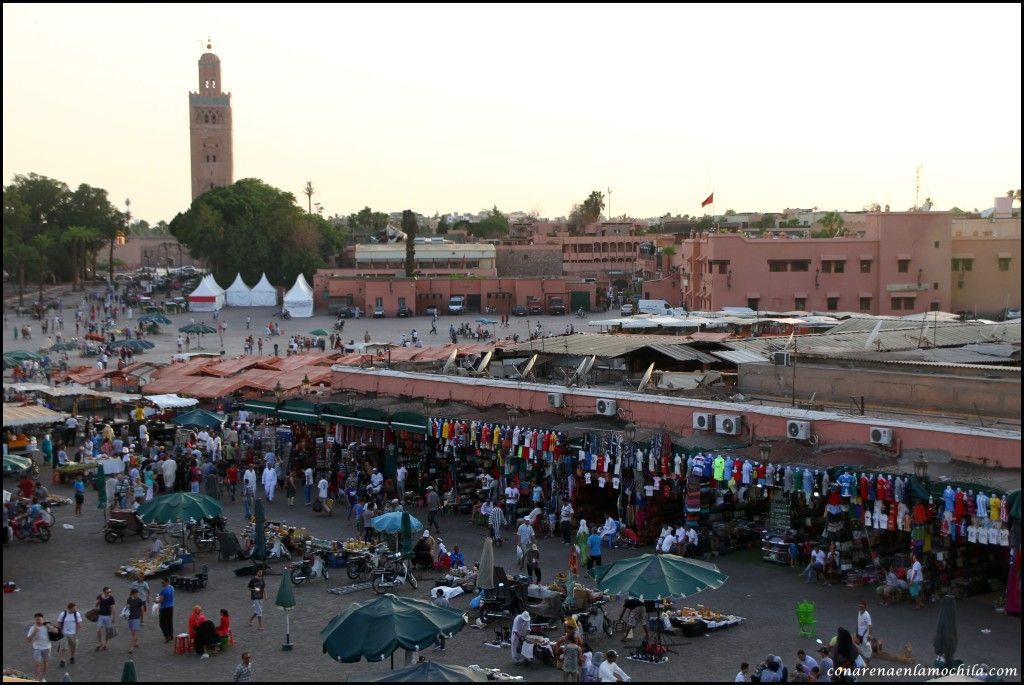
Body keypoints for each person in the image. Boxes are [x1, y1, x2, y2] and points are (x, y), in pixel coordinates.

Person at [26, 612, 53, 682]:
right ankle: (36, 679)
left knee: (46, 663)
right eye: (36, 620)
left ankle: (43, 678)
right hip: (37, 648)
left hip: (47, 647)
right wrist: (34, 632)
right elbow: (28, 640)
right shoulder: (33, 627)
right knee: (37, 664)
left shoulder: (47, 625)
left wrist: (50, 628)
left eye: (39, 619)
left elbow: (56, 632)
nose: (38, 621)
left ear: (43, 619)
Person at [56, 602, 82, 668]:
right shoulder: (63, 614)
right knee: (63, 648)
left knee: (73, 647)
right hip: (64, 633)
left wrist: (77, 632)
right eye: (74, 608)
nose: (75, 610)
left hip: (73, 634)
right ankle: (63, 660)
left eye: (75, 608)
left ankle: (72, 657)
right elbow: (59, 623)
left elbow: (79, 623)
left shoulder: (77, 614)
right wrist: (59, 632)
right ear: (69, 608)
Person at [95, 586, 117, 651]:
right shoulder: (99, 596)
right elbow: (96, 606)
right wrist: (97, 602)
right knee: (98, 630)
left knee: (108, 631)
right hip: (100, 616)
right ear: (104, 592)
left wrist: (114, 617)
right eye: (108, 592)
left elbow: (113, 608)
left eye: (110, 592)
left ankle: (106, 644)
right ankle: (99, 643)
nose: (109, 593)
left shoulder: (111, 598)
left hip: (108, 616)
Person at [125, 588, 146, 653]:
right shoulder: (129, 599)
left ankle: (131, 647)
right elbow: (127, 607)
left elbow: (142, 610)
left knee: (133, 633)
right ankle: (136, 642)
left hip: (136, 618)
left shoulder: (140, 601)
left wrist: (142, 620)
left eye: (138, 593)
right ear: (133, 594)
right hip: (130, 618)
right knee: (133, 633)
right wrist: (127, 607)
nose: (138, 595)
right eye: (136, 594)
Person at [157, 576, 175, 642]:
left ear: (166, 582)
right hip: (171, 607)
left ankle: (167, 636)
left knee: (162, 623)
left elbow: (161, 600)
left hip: (164, 608)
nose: (162, 584)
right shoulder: (172, 588)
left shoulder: (163, 590)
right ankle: (171, 635)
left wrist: (156, 601)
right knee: (169, 622)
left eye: (163, 582)